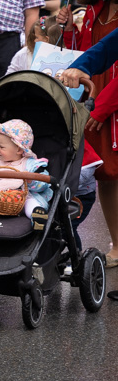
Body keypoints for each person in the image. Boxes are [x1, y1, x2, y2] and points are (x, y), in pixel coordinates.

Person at [62, 22, 118, 267]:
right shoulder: (95, 10)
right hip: (102, 93)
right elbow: (106, 46)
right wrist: (79, 65)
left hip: (109, 97)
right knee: (107, 175)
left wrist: (103, 105)